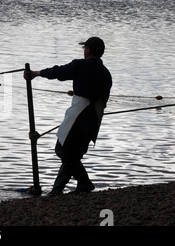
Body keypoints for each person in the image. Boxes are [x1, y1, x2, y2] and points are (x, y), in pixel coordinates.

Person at [24, 37, 112, 195]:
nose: (84, 51)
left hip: (80, 115)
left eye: (85, 48)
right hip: (95, 119)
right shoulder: (107, 74)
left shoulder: (80, 65)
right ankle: (56, 191)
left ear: (89, 50)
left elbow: (59, 72)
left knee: (63, 150)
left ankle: (85, 183)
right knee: (72, 155)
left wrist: (36, 73)